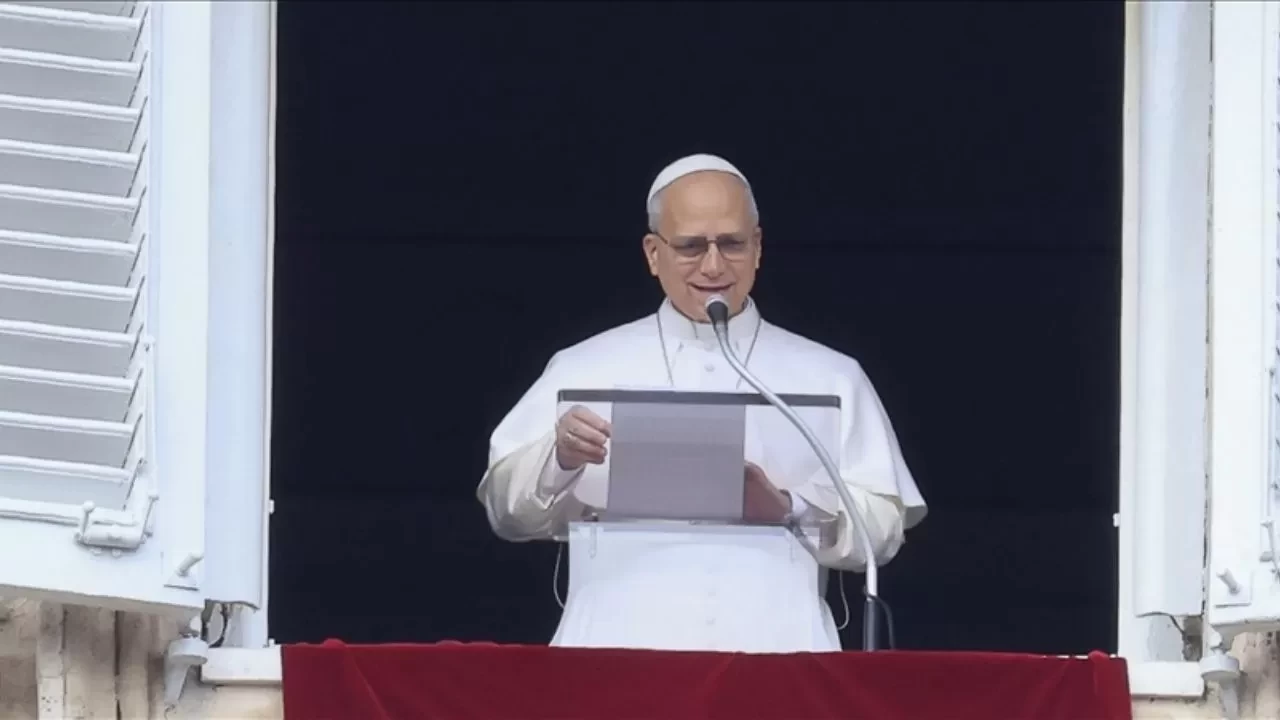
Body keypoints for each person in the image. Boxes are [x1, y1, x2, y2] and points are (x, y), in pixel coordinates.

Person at [477, 153, 927, 652]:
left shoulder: (832, 375)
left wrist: (788, 507)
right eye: (691, 246)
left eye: (731, 244)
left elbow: (883, 534)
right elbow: (505, 513)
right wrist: (558, 458)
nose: (714, 266)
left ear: (757, 247)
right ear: (653, 253)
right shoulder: (584, 367)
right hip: (614, 649)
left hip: (780, 652)